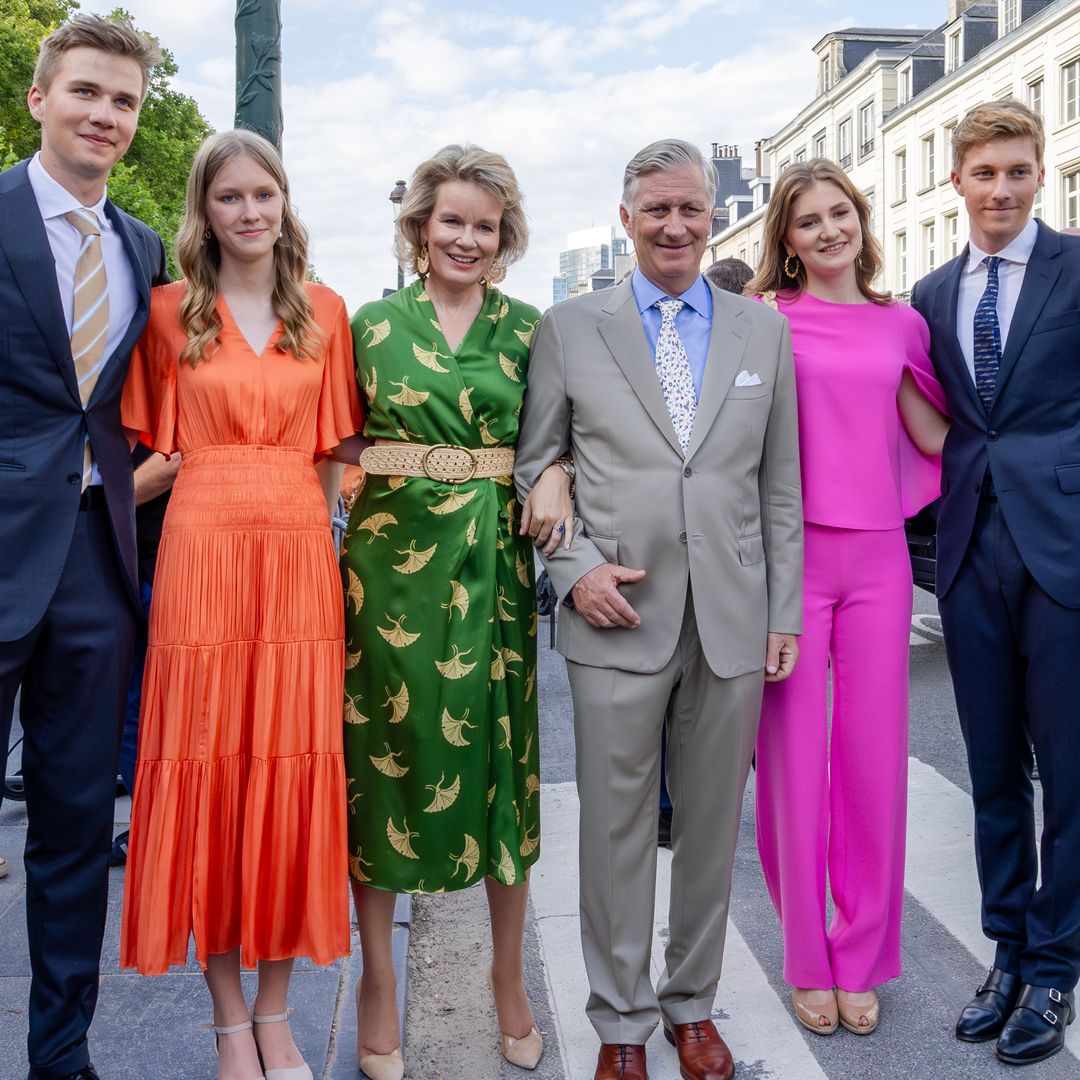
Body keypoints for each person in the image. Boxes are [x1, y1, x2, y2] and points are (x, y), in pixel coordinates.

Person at [515, 139, 804, 1080]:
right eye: (656, 210)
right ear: (627, 216)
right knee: (615, 831)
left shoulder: (762, 331)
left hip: (730, 617)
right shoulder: (569, 326)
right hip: (615, 616)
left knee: (712, 829)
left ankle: (693, 1006)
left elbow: (777, 488)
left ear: (712, 213)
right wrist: (575, 574)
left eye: (690, 208)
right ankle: (622, 1025)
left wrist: (782, 612)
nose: (675, 226)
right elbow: (536, 465)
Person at [119, 129, 363, 1080]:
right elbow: (149, 457)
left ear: (285, 202)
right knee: (211, 770)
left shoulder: (327, 314)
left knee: (288, 773)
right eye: (230, 197)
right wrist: (69, 498)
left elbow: (341, 456)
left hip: (299, 563)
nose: (250, 212)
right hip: (201, 557)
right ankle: (228, 1021)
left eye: (265, 194)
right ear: (205, 210)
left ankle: (276, 1013)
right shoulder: (167, 313)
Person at [341, 144, 570, 1080]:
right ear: (420, 227)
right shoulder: (368, 327)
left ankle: (507, 979)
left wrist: (550, 470)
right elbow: (334, 441)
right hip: (387, 574)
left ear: (503, 235)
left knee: (499, 763)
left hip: (495, 570)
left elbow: (561, 436)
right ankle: (379, 984)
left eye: (485, 224)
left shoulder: (533, 330)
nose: (467, 239)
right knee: (385, 764)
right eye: (452, 222)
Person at [745, 159, 948, 1038]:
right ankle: (806, 961)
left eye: (840, 214)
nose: (828, 231)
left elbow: (936, 433)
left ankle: (861, 954)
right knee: (791, 766)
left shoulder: (901, 324)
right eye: (807, 221)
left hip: (877, 561)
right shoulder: (762, 323)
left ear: (861, 221)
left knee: (871, 763)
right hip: (786, 567)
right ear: (784, 242)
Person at [0, 16, 167, 1080]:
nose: (105, 115)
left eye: (124, 102)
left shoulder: (141, 248)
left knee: (71, 833)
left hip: (97, 576)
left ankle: (61, 1056)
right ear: (39, 99)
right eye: (87, 93)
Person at [910, 99, 1080, 1068]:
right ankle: (1008, 950)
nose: (1002, 188)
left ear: (1039, 174)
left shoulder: (1077, 267)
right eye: (985, 173)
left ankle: (1057, 965)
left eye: (1018, 170)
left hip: (1065, 554)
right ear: (958, 183)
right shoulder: (931, 297)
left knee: (1071, 775)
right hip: (970, 556)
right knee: (991, 776)